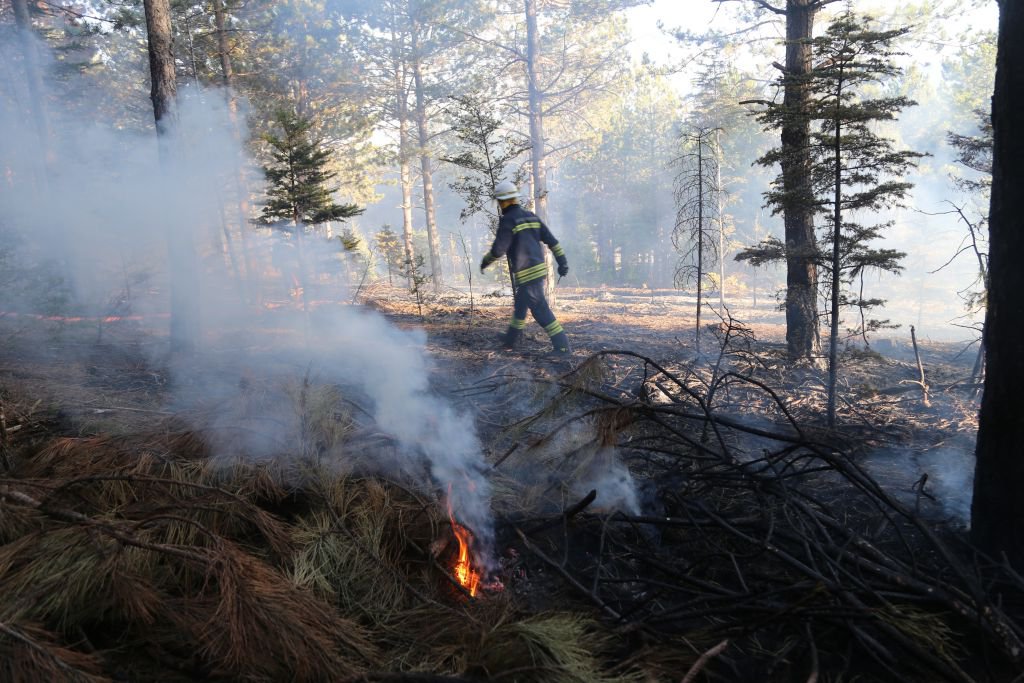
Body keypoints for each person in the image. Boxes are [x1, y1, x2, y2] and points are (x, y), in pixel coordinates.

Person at [480, 180, 571, 354]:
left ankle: (562, 347)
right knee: (520, 308)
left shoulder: (509, 220)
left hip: (527, 275)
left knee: (541, 311)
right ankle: (510, 339)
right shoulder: (531, 217)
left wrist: (485, 262)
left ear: (502, 202)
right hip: (537, 271)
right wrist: (563, 262)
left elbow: (498, 250)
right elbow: (553, 242)